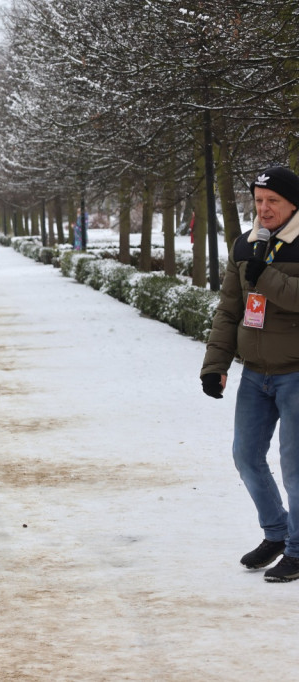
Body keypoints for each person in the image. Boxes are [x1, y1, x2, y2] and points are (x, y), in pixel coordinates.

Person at [201, 165, 299, 583]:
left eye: (273, 201)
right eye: (259, 202)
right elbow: (229, 310)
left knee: (295, 466)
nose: (264, 209)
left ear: (293, 202)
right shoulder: (245, 245)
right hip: (254, 375)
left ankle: (297, 549)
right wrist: (215, 366)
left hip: (296, 374)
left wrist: (268, 277)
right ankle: (276, 532)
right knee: (245, 456)